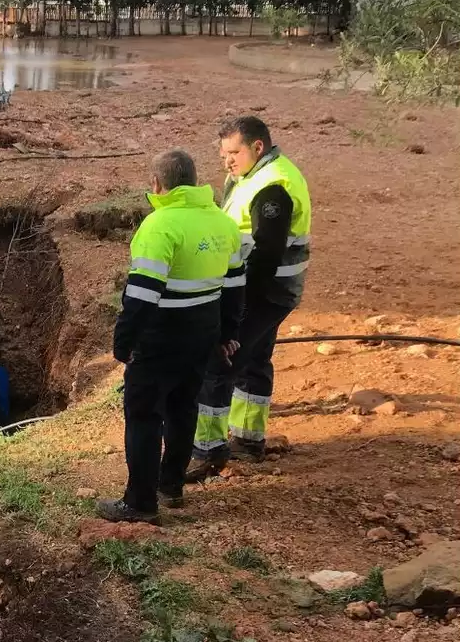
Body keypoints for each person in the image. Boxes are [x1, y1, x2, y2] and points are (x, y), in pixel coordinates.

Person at [97, 149, 244, 524]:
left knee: (144, 415)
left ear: (157, 184)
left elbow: (142, 293)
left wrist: (123, 343)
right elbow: (235, 285)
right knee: (183, 407)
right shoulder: (222, 222)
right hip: (203, 332)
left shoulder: (160, 225)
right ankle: (171, 486)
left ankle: (140, 503)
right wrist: (227, 333)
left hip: (162, 337)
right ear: (195, 182)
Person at [186, 117, 312, 479]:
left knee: (219, 362)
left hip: (265, 291)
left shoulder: (273, 188)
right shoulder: (253, 176)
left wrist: (235, 310)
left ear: (258, 147)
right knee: (255, 359)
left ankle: (207, 451)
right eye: (223, 153)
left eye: (234, 152)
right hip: (274, 291)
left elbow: (266, 256)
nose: (227, 160)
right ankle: (248, 439)